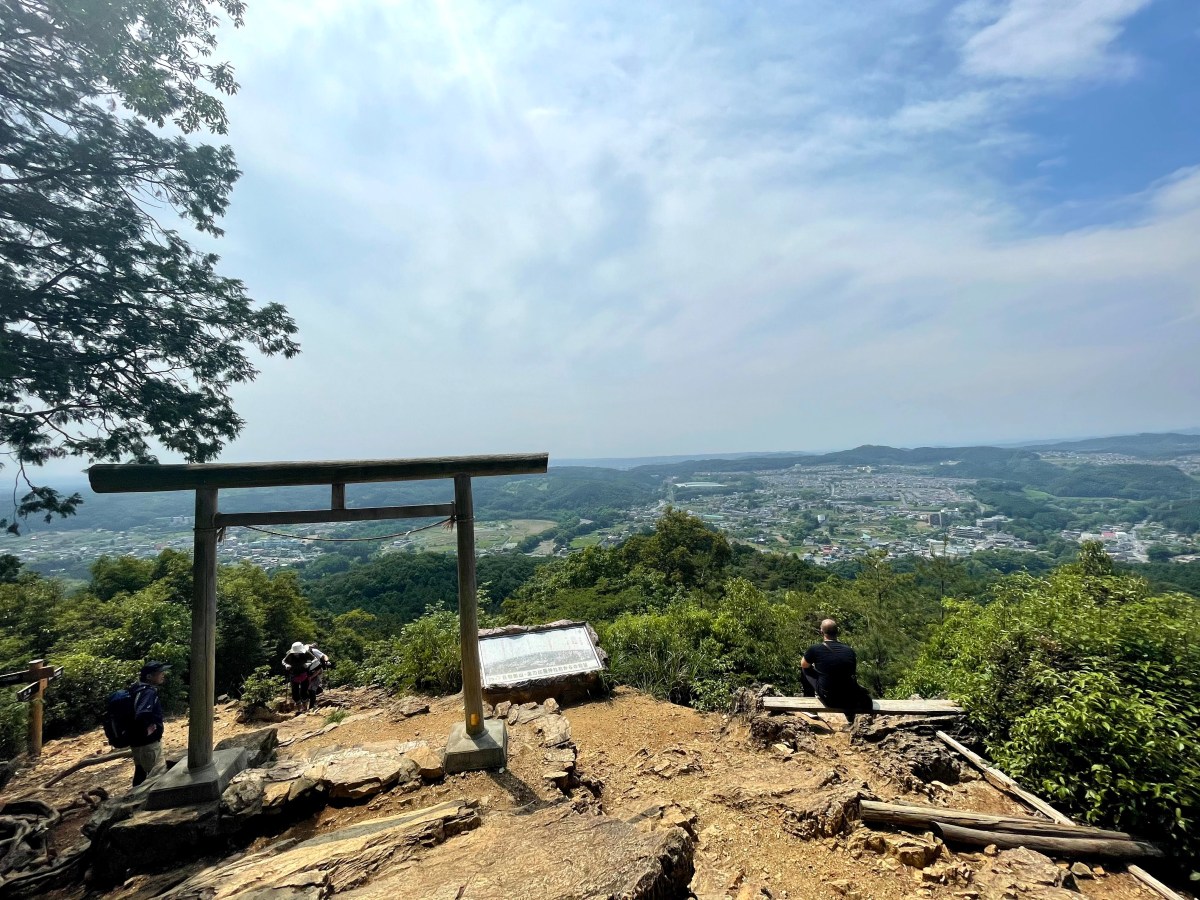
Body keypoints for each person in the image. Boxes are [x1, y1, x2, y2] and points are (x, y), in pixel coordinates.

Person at [800, 619, 872, 721]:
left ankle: (810, 707)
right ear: (837, 632)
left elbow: (804, 664)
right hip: (849, 698)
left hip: (829, 699)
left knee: (805, 669)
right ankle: (849, 716)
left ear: (821, 632)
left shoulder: (815, 649)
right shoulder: (849, 650)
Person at [130, 661, 169, 787]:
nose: (163, 674)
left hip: (137, 742)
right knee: (158, 775)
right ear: (149, 677)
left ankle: (132, 800)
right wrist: (152, 730)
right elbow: (142, 713)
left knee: (140, 772)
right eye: (160, 673)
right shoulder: (148, 692)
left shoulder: (136, 689)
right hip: (148, 744)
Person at [282, 641, 317, 713]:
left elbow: (315, 659)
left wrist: (308, 663)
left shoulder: (306, 653)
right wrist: (286, 665)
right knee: (295, 694)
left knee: (303, 692)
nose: (296, 654)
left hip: (304, 674)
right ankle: (299, 709)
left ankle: (305, 708)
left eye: (298, 653)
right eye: (295, 653)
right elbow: (283, 661)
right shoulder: (290, 654)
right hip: (293, 674)